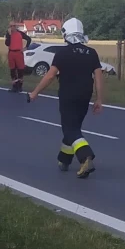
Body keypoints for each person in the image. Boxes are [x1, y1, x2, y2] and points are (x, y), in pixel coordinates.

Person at [27, 17, 105, 178]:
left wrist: (35, 92)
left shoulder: (63, 53)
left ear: (66, 34)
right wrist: (99, 99)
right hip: (85, 95)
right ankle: (64, 160)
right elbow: (98, 77)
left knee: (70, 129)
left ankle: (86, 157)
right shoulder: (92, 53)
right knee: (73, 128)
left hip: (68, 95)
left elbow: (49, 76)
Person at [4, 22, 31, 92]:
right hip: (11, 53)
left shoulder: (20, 33)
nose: (12, 27)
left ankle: (20, 86)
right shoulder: (9, 34)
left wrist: (26, 47)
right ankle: (14, 86)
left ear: (16, 26)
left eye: (13, 26)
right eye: (11, 26)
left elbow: (29, 39)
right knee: (12, 70)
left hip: (19, 53)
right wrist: (9, 35)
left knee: (20, 70)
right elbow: (7, 43)